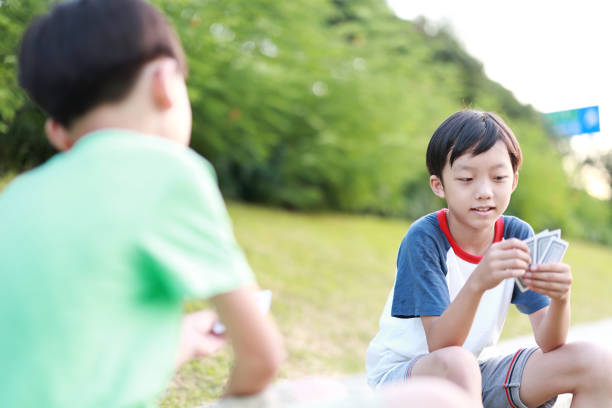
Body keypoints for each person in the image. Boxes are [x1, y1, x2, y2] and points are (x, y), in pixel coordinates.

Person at [0, 1, 474, 407]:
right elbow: (261, 358)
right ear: (166, 83)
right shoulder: (167, 171)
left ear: (57, 131)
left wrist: (184, 341)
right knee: (435, 398)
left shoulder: (16, 197)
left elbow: (70, 357)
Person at [366, 110, 612, 408]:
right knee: (457, 363)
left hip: (468, 379)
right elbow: (441, 347)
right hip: (405, 382)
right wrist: (478, 282)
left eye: (498, 177)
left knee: (598, 364)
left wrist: (560, 299)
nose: (484, 192)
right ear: (439, 185)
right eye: (467, 179)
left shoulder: (516, 234)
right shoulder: (425, 238)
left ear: (514, 180)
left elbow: (549, 343)